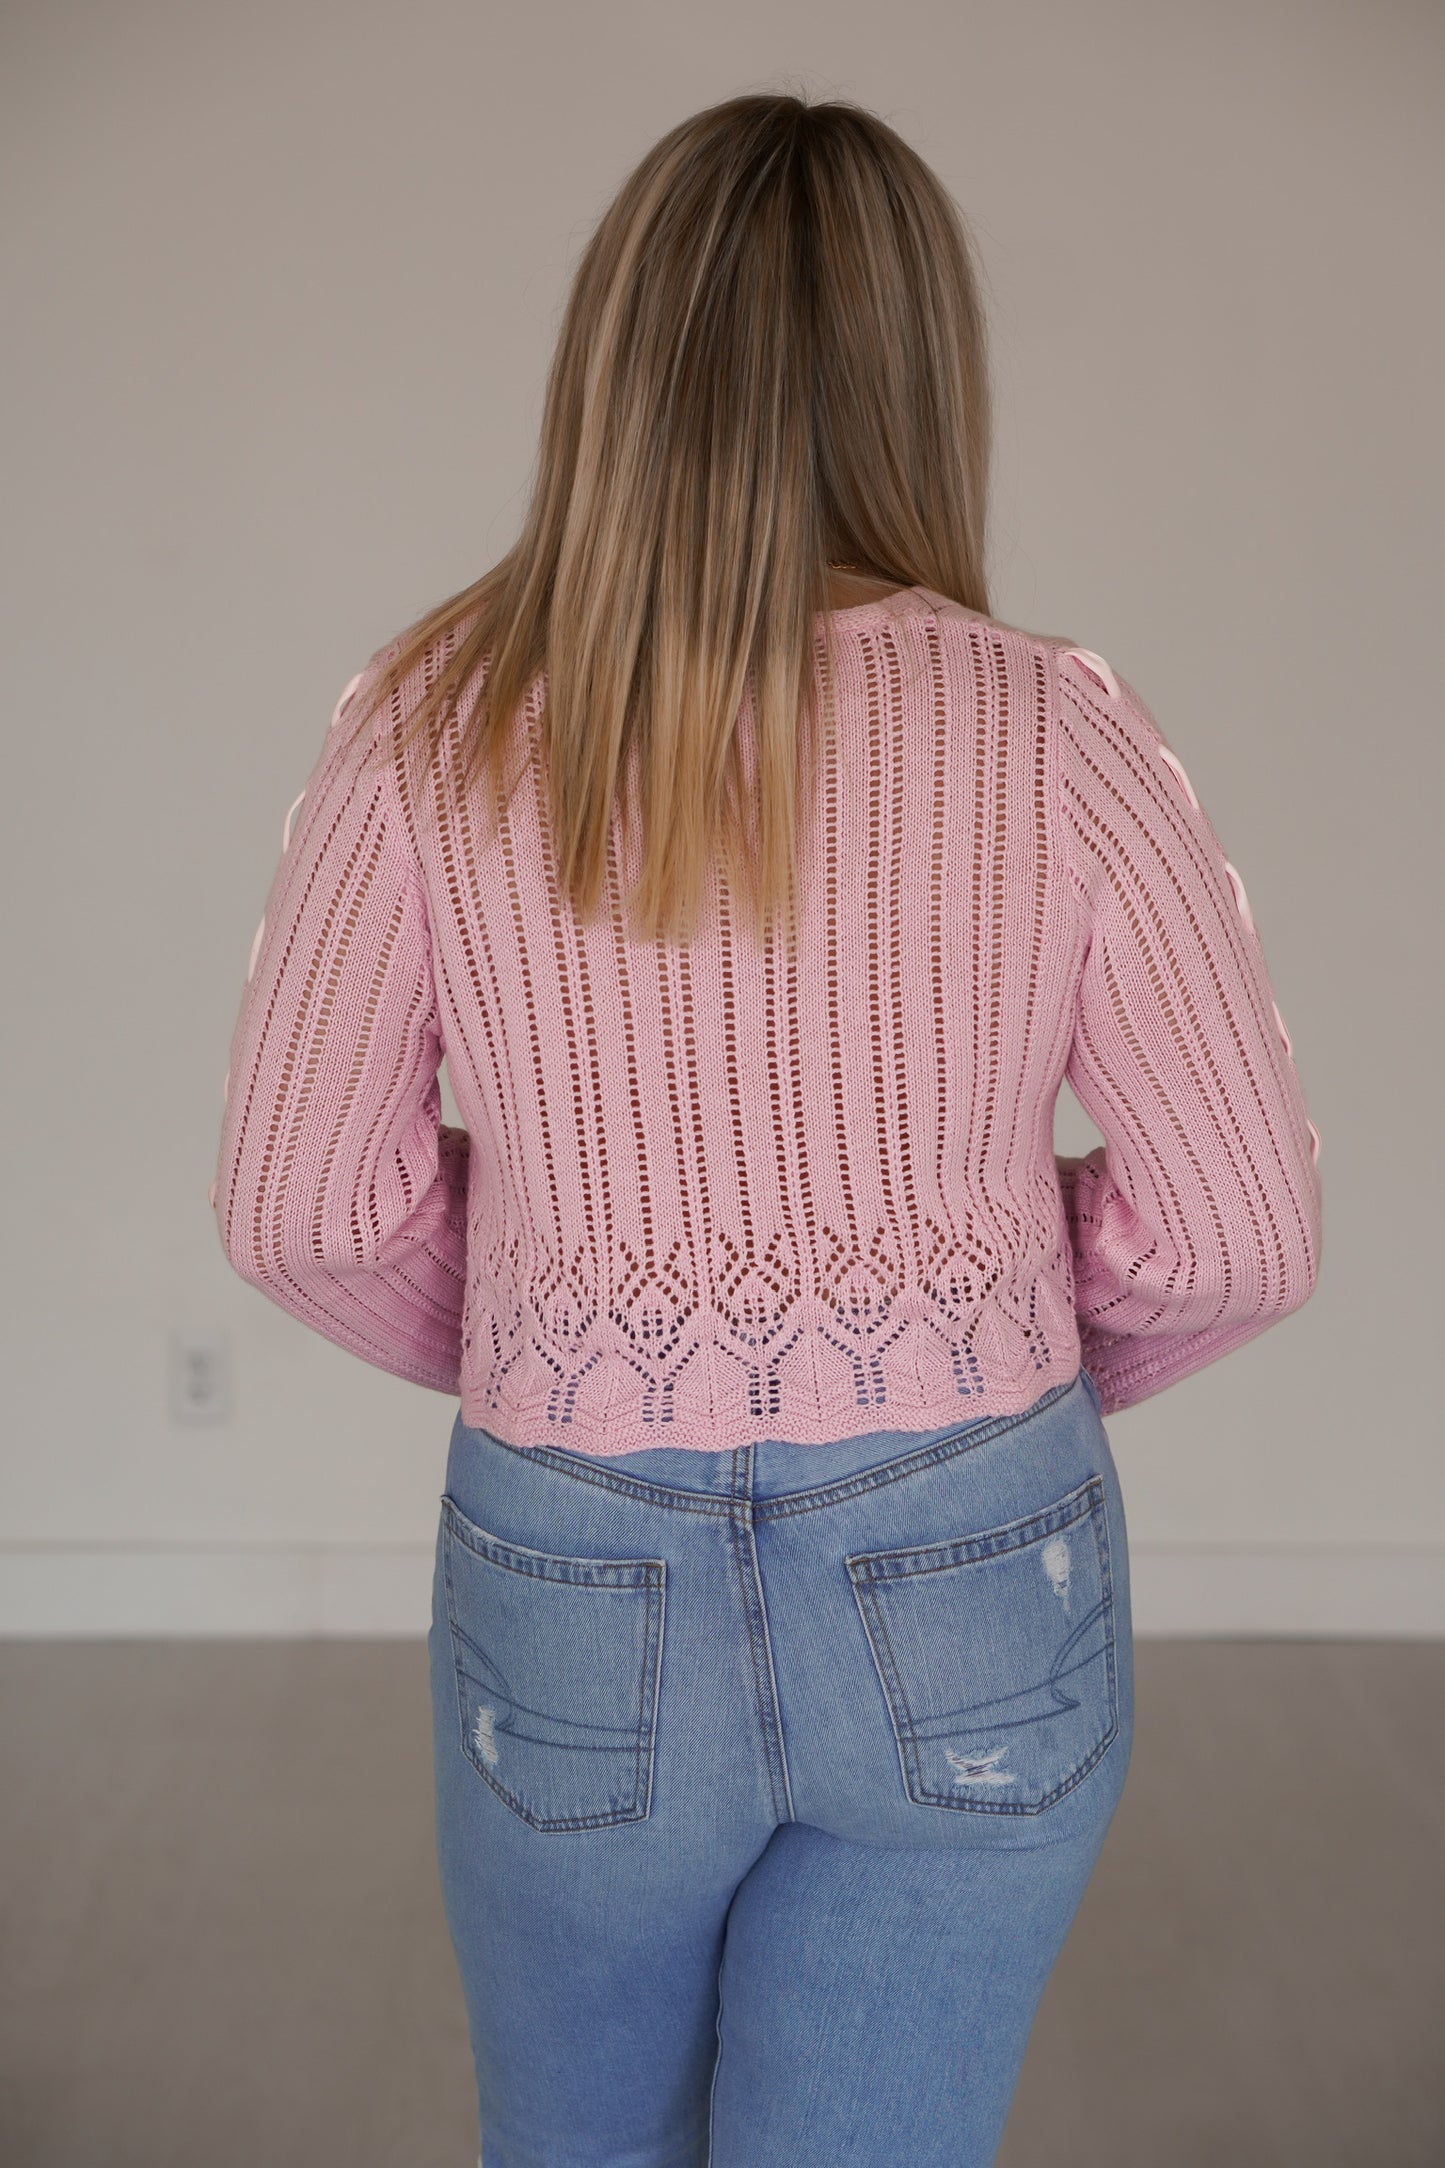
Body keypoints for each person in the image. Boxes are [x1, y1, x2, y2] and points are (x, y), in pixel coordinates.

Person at [213, 90, 1322, 2168]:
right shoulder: (1056, 728)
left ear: (613, 363)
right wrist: (996, 1338)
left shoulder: (427, 724)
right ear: (923, 372)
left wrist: (551, 1328)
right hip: (976, 1544)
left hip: (570, 1554)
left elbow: (297, 1203)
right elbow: (1242, 1226)